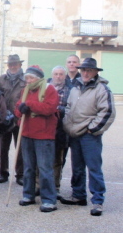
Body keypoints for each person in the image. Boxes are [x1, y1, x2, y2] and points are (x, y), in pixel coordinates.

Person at [60, 58, 115, 216]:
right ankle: (78, 195)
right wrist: (67, 125)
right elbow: (69, 107)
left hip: (89, 135)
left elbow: (107, 112)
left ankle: (97, 201)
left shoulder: (102, 89)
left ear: (95, 72)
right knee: (77, 168)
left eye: (89, 70)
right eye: (83, 70)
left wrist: (92, 129)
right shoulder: (76, 88)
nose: (85, 73)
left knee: (94, 168)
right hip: (75, 134)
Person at [15, 65, 59, 213]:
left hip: (43, 135)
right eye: (27, 78)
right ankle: (28, 195)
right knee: (28, 168)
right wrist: (20, 109)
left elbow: (49, 108)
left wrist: (29, 105)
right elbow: (18, 106)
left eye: (31, 77)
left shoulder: (49, 89)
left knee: (45, 169)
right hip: (27, 134)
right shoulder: (25, 90)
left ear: (38, 78)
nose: (28, 80)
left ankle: (49, 200)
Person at [0, 54, 26, 185]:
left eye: (15, 64)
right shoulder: (1, 79)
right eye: (10, 64)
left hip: (20, 118)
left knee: (20, 148)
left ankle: (20, 174)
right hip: (5, 118)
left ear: (20, 65)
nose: (13, 66)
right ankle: (3, 172)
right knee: (3, 148)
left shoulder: (26, 80)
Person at [48, 65, 71, 197]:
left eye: (61, 74)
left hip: (61, 129)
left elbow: (70, 108)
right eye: (56, 74)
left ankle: (55, 186)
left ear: (65, 76)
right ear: (52, 75)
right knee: (42, 159)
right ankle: (40, 185)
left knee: (57, 159)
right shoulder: (44, 88)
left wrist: (57, 109)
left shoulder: (70, 90)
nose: (58, 76)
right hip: (44, 129)